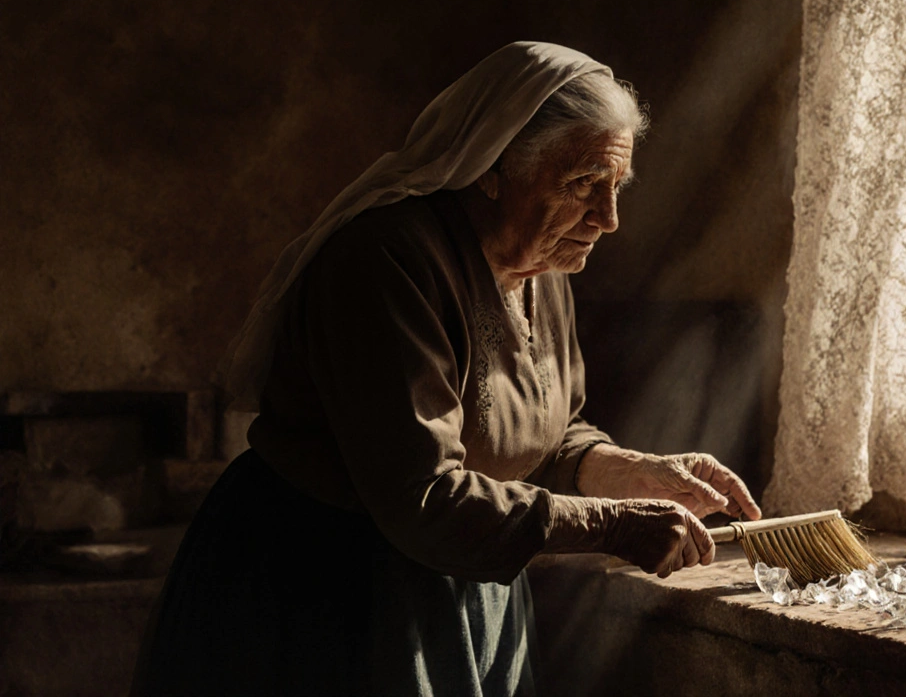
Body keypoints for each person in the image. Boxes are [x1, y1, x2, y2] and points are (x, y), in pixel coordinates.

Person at [132, 42, 761, 697]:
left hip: (464, 585)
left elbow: (545, 434)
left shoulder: (542, 266)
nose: (607, 220)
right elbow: (423, 495)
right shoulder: (384, 261)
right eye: (581, 186)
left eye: (615, 188)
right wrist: (610, 523)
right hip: (329, 591)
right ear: (489, 167)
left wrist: (632, 473)